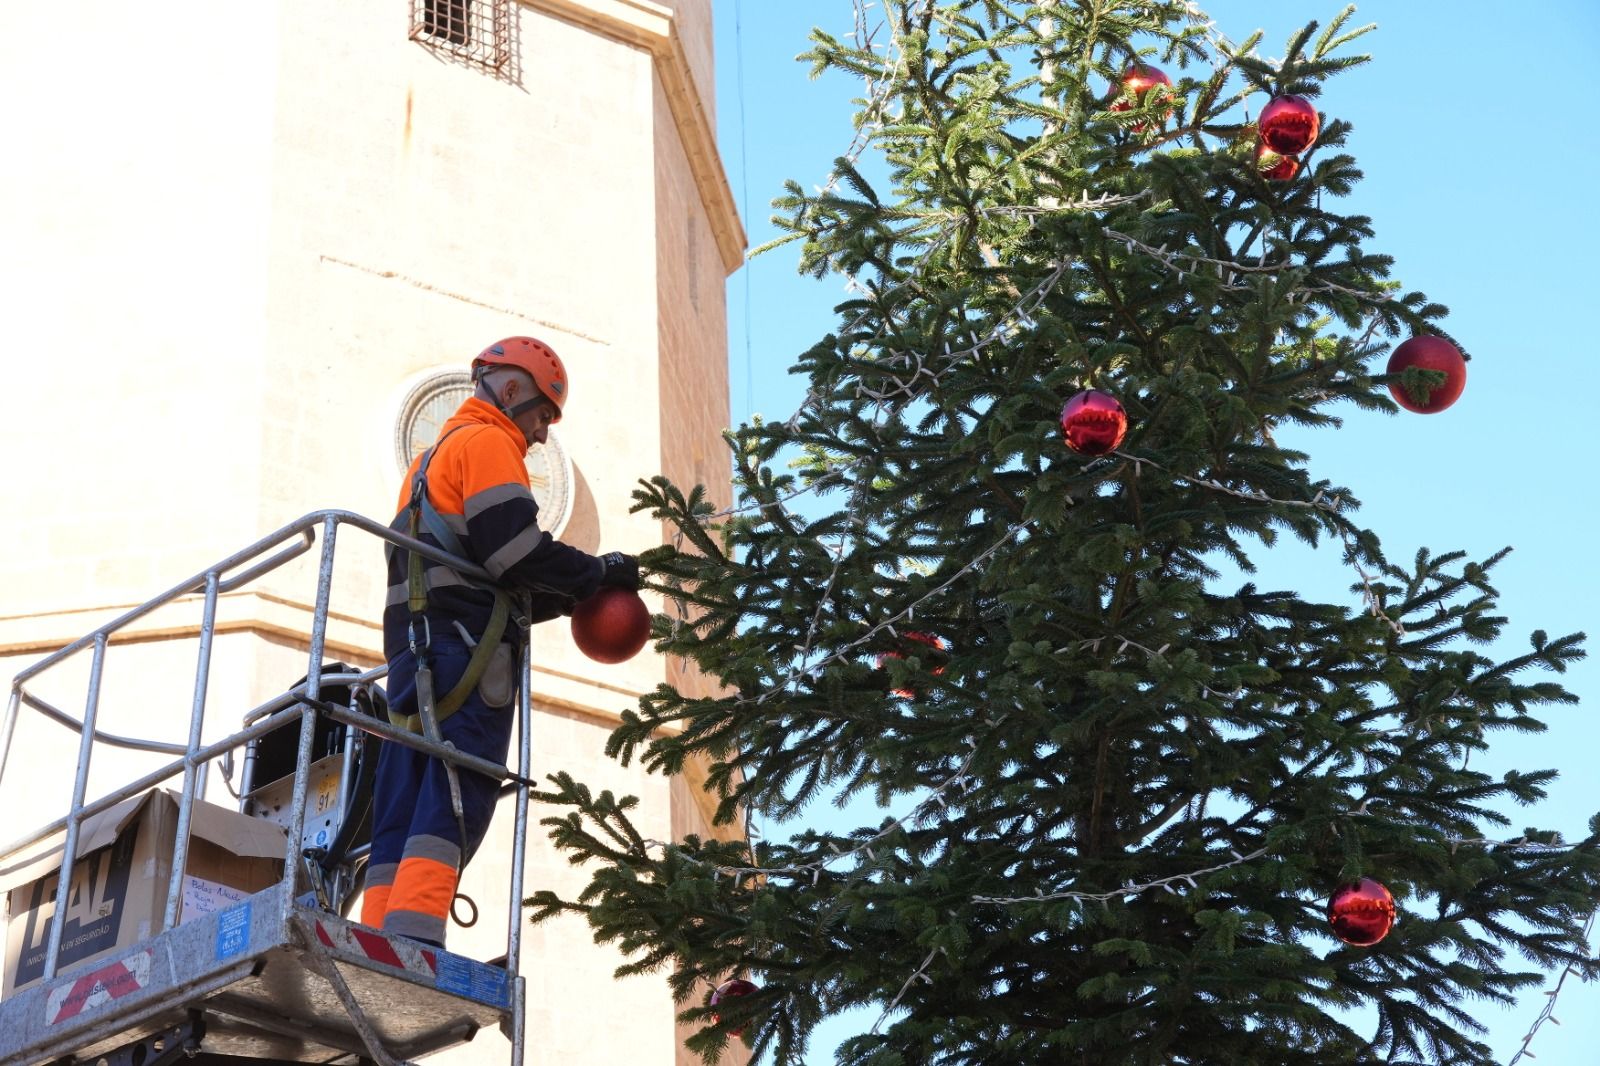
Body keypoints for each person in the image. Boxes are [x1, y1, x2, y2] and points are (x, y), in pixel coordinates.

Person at [360, 336, 639, 946]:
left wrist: (569, 596)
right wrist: (599, 572)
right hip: (464, 657)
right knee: (459, 789)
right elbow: (513, 551)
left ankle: (379, 933)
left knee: (404, 799)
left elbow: (481, 571)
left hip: (416, 655)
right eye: (542, 415)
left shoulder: (429, 461)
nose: (541, 435)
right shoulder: (489, 443)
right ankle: (416, 937)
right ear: (510, 392)